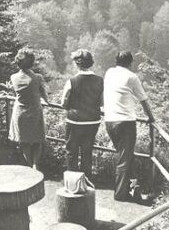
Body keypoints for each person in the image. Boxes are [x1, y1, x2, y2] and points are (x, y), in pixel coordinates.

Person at [103, 51, 154, 202]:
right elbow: (143, 100)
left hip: (109, 120)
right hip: (125, 123)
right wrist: (151, 118)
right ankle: (120, 194)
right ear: (131, 63)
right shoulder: (132, 77)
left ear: (116, 61)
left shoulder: (109, 72)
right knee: (125, 159)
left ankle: (134, 192)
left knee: (127, 157)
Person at [61, 49, 103, 180]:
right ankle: (87, 181)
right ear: (91, 63)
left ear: (76, 64)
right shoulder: (100, 80)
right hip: (93, 121)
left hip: (75, 121)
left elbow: (63, 103)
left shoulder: (72, 81)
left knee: (71, 151)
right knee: (87, 152)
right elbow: (102, 102)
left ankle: (72, 182)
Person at [8, 49, 48, 170]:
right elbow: (45, 96)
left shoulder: (13, 77)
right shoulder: (38, 78)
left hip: (20, 111)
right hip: (35, 111)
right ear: (32, 63)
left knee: (24, 141)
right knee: (38, 140)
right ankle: (36, 165)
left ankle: (30, 166)